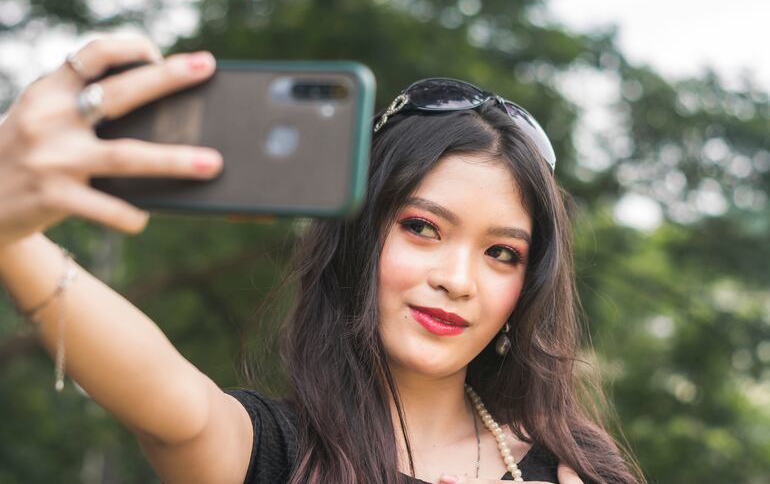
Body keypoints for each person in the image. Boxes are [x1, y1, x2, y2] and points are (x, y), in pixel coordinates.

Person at [0, 35, 643, 484]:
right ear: (360, 238)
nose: (456, 279)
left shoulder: (574, 467)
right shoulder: (271, 454)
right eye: (422, 228)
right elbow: (169, 399)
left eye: (502, 253)